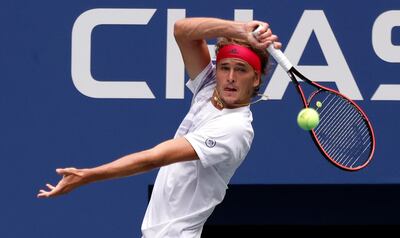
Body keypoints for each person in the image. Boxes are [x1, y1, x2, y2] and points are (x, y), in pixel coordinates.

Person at [37, 17, 281, 237]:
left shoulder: (235, 129)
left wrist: (88, 175)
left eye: (240, 70)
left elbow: (154, 158)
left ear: (256, 78)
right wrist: (238, 29)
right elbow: (181, 30)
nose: (230, 77)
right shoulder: (209, 87)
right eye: (224, 67)